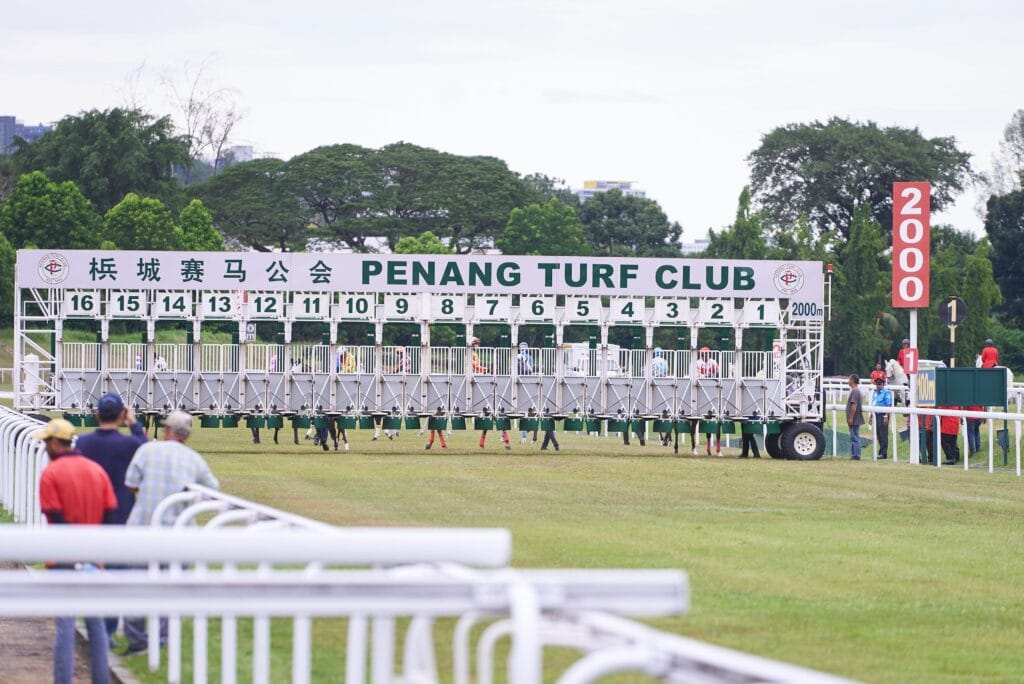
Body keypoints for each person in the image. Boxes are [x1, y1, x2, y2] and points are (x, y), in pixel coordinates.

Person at [122, 411, 219, 655]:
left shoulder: (147, 450)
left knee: (135, 585)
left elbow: (130, 484)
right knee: (171, 587)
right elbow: (213, 491)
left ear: (166, 431)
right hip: (178, 533)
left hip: (143, 528)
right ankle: (163, 640)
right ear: (186, 435)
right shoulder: (194, 459)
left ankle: (136, 638)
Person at [35, 418, 117, 684]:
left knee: (65, 628)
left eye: (47, 442)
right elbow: (109, 515)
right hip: (93, 556)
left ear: (56, 443)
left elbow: (55, 518)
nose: (45, 446)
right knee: (97, 627)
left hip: (63, 558)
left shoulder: (51, 473)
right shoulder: (96, 470)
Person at [76, 392, 149, 643]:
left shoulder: (82, 444)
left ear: (96, 414)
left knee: (93, 572)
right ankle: (108, 630)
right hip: (121, 515)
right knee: (117, 575)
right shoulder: (130, 444)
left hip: (90, 515)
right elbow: (146, 449)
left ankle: (98, 631)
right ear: (121, 414)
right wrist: (134, 424)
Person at [472, 338, 509, 449]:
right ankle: (504, 438)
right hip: (475, 380)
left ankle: (483, 441)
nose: (478, 346)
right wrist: (486, 369)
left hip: (479, 378)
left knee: (491, 412)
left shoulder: (474, 354)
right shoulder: (470, 354)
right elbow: (474, 366)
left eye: (478, 344)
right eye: (476, 344)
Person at [651, 348, 672, 445]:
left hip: (654, 386)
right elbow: (666, 372)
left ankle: (662, 437)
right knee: (668, 413)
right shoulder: (665, 362)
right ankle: (667, 437)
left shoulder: (651, 361)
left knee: (656, 414)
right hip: (664, 385)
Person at [869, 376, 893, 459]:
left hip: (883, 415)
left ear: (883, 384)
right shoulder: (875, 393)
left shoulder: (886, 393)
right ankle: (881, 452)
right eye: (877, 384)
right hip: (875, 415)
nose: (878, 385)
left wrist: (886, 416)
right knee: (878, 434)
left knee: (883, 434)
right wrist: (871, 417)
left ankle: (883, 453)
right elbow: (874, 405)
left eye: (880, 384)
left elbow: (888, 405)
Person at [516, 342, 535, 442]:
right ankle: (527, 431)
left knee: (520, 412)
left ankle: (523, 436)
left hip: (517, 384)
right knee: (529, 411)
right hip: (528, 384)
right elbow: (531, 370)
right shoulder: (530, 358)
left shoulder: (516, 356)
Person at [845, 374, 865, 460]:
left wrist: (850, 417)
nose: (848, 381)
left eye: (849, 379)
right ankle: (854, 454)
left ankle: (856, 455)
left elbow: (854, 405)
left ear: (852, 380)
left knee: (855, 437)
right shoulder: (856, 391)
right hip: (855, 418)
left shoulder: (855, 391)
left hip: (854, 418)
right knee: (854, 436)